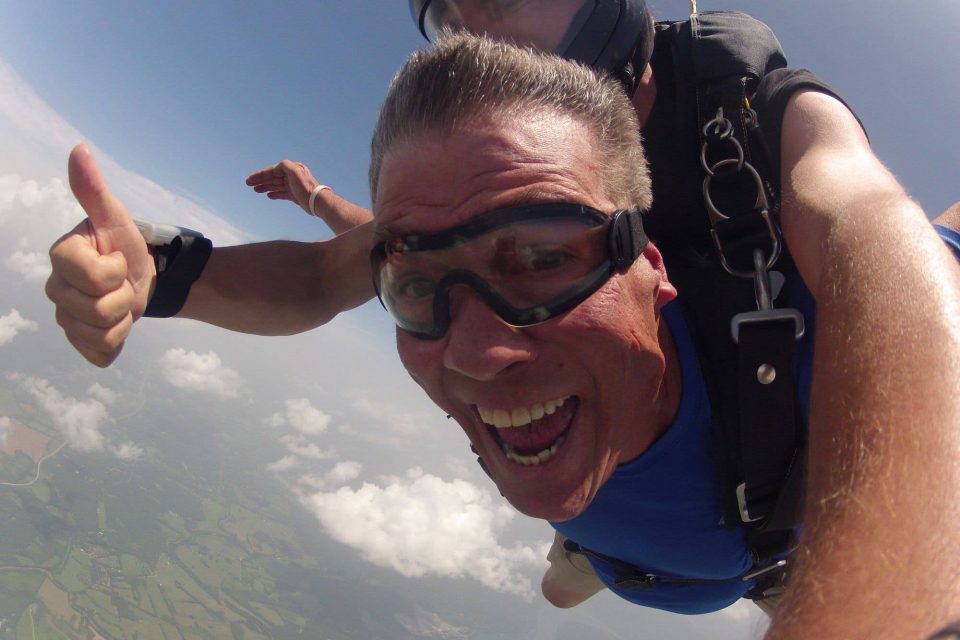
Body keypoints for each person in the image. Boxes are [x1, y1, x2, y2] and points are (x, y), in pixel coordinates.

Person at [48, 32, 960, 638]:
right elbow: (334, 271)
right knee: (562, 582)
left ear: (654, 268)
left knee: (585, 578)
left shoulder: (832, 345)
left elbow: (894, 249)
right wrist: (164, 275)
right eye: (419, 284)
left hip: (762, 560)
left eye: (541, 259)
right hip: (604, 543)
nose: (477, 352)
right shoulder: (488, 317)